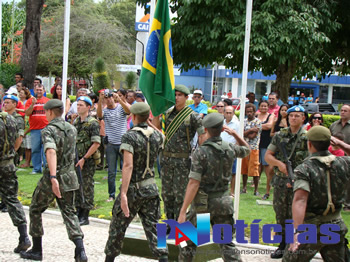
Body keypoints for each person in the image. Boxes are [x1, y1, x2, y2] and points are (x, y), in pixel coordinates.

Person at [20, 99, 88, 261]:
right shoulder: (71, 128)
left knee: (36, 209)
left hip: (54, 176)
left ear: (49, 112)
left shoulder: (48, 130)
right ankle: (80, 251)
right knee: (70, 212)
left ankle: (37, 250)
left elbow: (51, 151)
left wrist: (52, 176)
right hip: (70, 176)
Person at [177, 113, 250, 261]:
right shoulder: (229, 148)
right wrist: (235, 134)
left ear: (205, 129)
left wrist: (183, 211)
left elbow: (194, 183)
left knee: (187, 242)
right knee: (226, 243)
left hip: (203, 206)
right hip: (223, 202)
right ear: (222, 129)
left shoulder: (201, 152)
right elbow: (247, 150)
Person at [104, 102, 168, 262]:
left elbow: (128, 165)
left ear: (133, 117)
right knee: (154, 230)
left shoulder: (129, 136)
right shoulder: (157, 135)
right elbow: (163, 137)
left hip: (133, 189)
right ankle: (164, 258)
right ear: (148, 118)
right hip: (151, 189)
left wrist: (123, 193)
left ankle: (109, 259)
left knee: (117, 228)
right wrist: (150, 123)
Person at [283, 126, 350, 262]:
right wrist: (341, 144)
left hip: (311, 228)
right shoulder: (343, 163)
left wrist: (297, 231)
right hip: (335, 224)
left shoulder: (305, 169)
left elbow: (300, 200)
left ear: (309, 144)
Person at [152, 84, 204, 222]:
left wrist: (201, 156)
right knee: (167, 194)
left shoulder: (193, 116)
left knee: (180, 195)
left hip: (183, 161)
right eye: (174, 95)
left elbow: (202, 137)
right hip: (167, 159)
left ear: (187, 98)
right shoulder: (167, 114)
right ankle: (169, 222)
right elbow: (156, 128)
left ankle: (179, 223)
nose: (176, 97)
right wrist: (156, 112)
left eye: (179, 95)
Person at [265, 105, 308, 259]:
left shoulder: (307, 137)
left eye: (297, 116)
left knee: (295, 214)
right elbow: (268, 156)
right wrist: (279, 164)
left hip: (300, 182)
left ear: (303, 118)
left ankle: (294, 244)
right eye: (291, 116)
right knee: (280, 214)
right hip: (281, 181)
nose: (293, 118)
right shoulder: (280, 135)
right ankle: (282, 244)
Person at [0, 107, 31, 254]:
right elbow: (18, 139)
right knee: (12, 199)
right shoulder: (10, 119)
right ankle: (24, 236)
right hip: (8, 164)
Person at [97, 89, 130, 202]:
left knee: (127, 169)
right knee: (111, 172)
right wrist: (100, 101)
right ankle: (111, 195)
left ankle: (126, 193)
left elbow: (129, 111)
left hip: (123, 143)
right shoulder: (105, 110)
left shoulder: (120, 107)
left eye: (110, 96)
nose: (109, 99)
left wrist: (119, 99)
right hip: (111, 144)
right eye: (106, 97)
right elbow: (99, 115)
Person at [74, 96, 101, 226]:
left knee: (86, 186)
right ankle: (78, 210)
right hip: (76, 158)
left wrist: (84, 158)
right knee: (77, 185)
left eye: (81, 105)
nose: (78, 107)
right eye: (77, 105)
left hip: (87, 160)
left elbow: (96, 143)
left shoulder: (93, 123)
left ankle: (85, 214)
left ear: (88, 107)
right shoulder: (76, 122)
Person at [24, 84, 50, 174]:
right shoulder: (30, 101)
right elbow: (27, 113)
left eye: (40, 90)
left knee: (46, 149)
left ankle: (47, 168)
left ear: (44, 91)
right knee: (35, 149)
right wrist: (32, 104)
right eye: (37, 90)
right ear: (34, 91)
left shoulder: (47, 101)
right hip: (34, 129)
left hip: (46, 128)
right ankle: (36, 168)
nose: (39, 91)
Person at [329, 104, 350, 212]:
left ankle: (348, 204)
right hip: (334, 156)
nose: (343, 112)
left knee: (348, 182)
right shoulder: (333, 125)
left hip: (348, 157)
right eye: (341, 110)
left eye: (345, 111)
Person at [241, 103, 262, 195]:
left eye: (251, 111)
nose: (249, 113)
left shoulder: (258, 122)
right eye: (247, 111)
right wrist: (250, 130)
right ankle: (244, 188)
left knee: (254, 169)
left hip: (254, 148)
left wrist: (246, 132)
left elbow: (253, 136)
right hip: (244, 147)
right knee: (244, 169)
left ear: (254, 112)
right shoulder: (243, 121)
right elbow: (241, 134)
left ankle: (256, 190)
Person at [256, 101, 274, 200]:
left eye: (265, 106)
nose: (264, 107)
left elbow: (269, 126)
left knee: (267, 166)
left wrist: (256, 126)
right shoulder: (256, 115)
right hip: (256, 144)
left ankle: (268, 187)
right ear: (259, 107)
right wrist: (262, 126)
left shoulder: (271, 116)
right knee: (257, 166)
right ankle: (256, 187)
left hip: (266, 144)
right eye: (262, 106)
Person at [221, 106, 240, 196]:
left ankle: (232, 192)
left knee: (233, 172)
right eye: (227, 113)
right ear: (224, 113)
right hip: (220, 150)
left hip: (232, 150)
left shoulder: (237, 124)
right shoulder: (221, 123)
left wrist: (234, 149)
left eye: (230, 113)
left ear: (233, 113)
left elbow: (239, 138)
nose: (228, 115)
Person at [3, 95, 25, 167]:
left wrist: (13, 151)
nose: (5, 105)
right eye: (4, 103)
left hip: (11, 151)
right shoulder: (3, 118)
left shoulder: (18, 119)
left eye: (7, 103)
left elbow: (20, 137)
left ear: (14, 104)